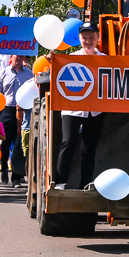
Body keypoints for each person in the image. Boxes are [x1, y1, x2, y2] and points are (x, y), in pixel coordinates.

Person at [56, 22, 106, 190]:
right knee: (68, 142)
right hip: (72, 108)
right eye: (85, 38)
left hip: (96, 110)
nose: (88, 41)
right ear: (79, 39)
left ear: (98, 38)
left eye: (92, 37)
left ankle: (85, 184)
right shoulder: (70, 58)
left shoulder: (106, 60)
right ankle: (60, 182)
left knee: (89, 148)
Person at [0, 55, 33, 187]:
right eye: (17, 55)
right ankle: (4, 167)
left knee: (19, 142)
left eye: (22, 55)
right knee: (5, 141)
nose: (20, 58)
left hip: (23, 109)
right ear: (12, 56)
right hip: (7, 110)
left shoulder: (29, 74)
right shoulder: (3, 73)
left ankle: (17, 176)